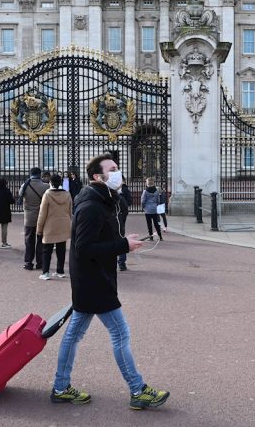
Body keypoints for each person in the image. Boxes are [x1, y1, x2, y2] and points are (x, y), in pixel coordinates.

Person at [50, 154, 169, 410]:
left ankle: (60, 386)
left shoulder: (101, 200)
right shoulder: (92, 206)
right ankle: (137, 390)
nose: (118, 172)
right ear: (97, 176)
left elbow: (98, 239)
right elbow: (84, 247)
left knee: (74, 334)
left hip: (90, 278)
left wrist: (123, 241)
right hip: (95, 280)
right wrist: (123, 245)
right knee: (119, 333)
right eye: (112, 169)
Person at [36, 173, 72, 280]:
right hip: (63, 224)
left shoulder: (47, 194)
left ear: (50, 182)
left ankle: (45, 272)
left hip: (50, 225)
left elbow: (42, 214)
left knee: (47, 250)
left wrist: (39, 228)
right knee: (61, 249)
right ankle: (60, 271)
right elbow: (70, 211)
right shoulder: (67, 194)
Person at [19, 167, 49, 270]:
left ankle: (28, 262)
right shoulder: (46, 186)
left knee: (29, 241)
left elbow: (20, 196)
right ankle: (40, 262)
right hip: (42, 216)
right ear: (40, 174)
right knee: (41, 241)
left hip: (29, 217)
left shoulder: (25, 185)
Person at [140, 177, 163, 241]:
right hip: (154, 209)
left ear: (147, 183)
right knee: (156, 223)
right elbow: (158, 200)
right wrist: (156, 205)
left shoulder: (145, 191)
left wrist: (143, 207)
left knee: (149, 224)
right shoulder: (156, 191)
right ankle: (160, 236)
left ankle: (151, 237)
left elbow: (143, 201)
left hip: (147, 209)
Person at [117, 175, 132, 271]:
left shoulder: (124, 191)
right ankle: (121, 263)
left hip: (119, 220)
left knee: (120, 239)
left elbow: (128, 204)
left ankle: (121, 263)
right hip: (115, 220)